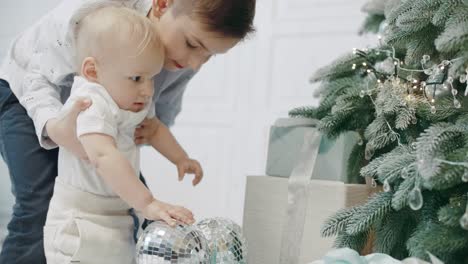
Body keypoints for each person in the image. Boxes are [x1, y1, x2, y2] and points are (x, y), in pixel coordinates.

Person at [0, 0, 256, 263]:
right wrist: (53, 125)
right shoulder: (92, 17)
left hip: (102, 122)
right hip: (27, 93)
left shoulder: (184, 59)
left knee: (134, 205)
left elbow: (159, 113)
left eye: (209, 55)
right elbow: (35, 76)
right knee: (39, 202)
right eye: (192, 45)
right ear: (163, 4)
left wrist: (155, 138)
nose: (195, 64)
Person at [42, 6, 203, 263]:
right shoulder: (91, 102)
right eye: (137, 78)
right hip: (81, 219)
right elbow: (103, 155)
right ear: (93, 72)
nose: (148, 90)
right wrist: (147, 203)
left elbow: (155, 129)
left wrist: (180, 158)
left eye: (151, 78)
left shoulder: (133, 100)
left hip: (118, 212)